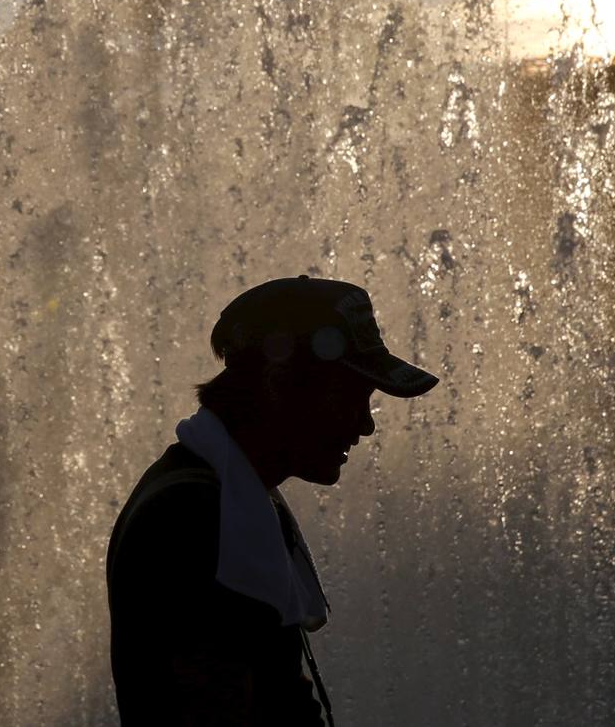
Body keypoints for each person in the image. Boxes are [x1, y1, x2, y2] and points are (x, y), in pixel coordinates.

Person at [106, 275, 439, 725]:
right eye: (351, 397)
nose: (365, 425)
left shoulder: (228, 496)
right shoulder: (193, 517)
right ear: (279, 382)